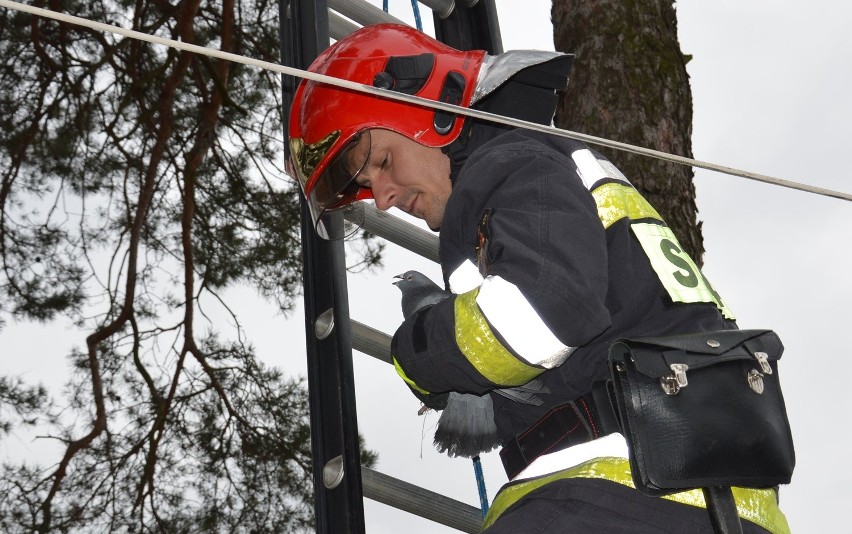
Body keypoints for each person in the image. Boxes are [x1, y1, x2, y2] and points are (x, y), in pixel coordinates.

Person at [288, 23, 789, 534]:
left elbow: (546, 313)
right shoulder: (545, 169)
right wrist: (492, 402)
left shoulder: (505, 163)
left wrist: (420, 349)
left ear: (434, 109)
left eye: (384, 162)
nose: (386, 196)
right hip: (707, 499)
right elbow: (588, 335)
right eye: (368, 187)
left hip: (613, 489)